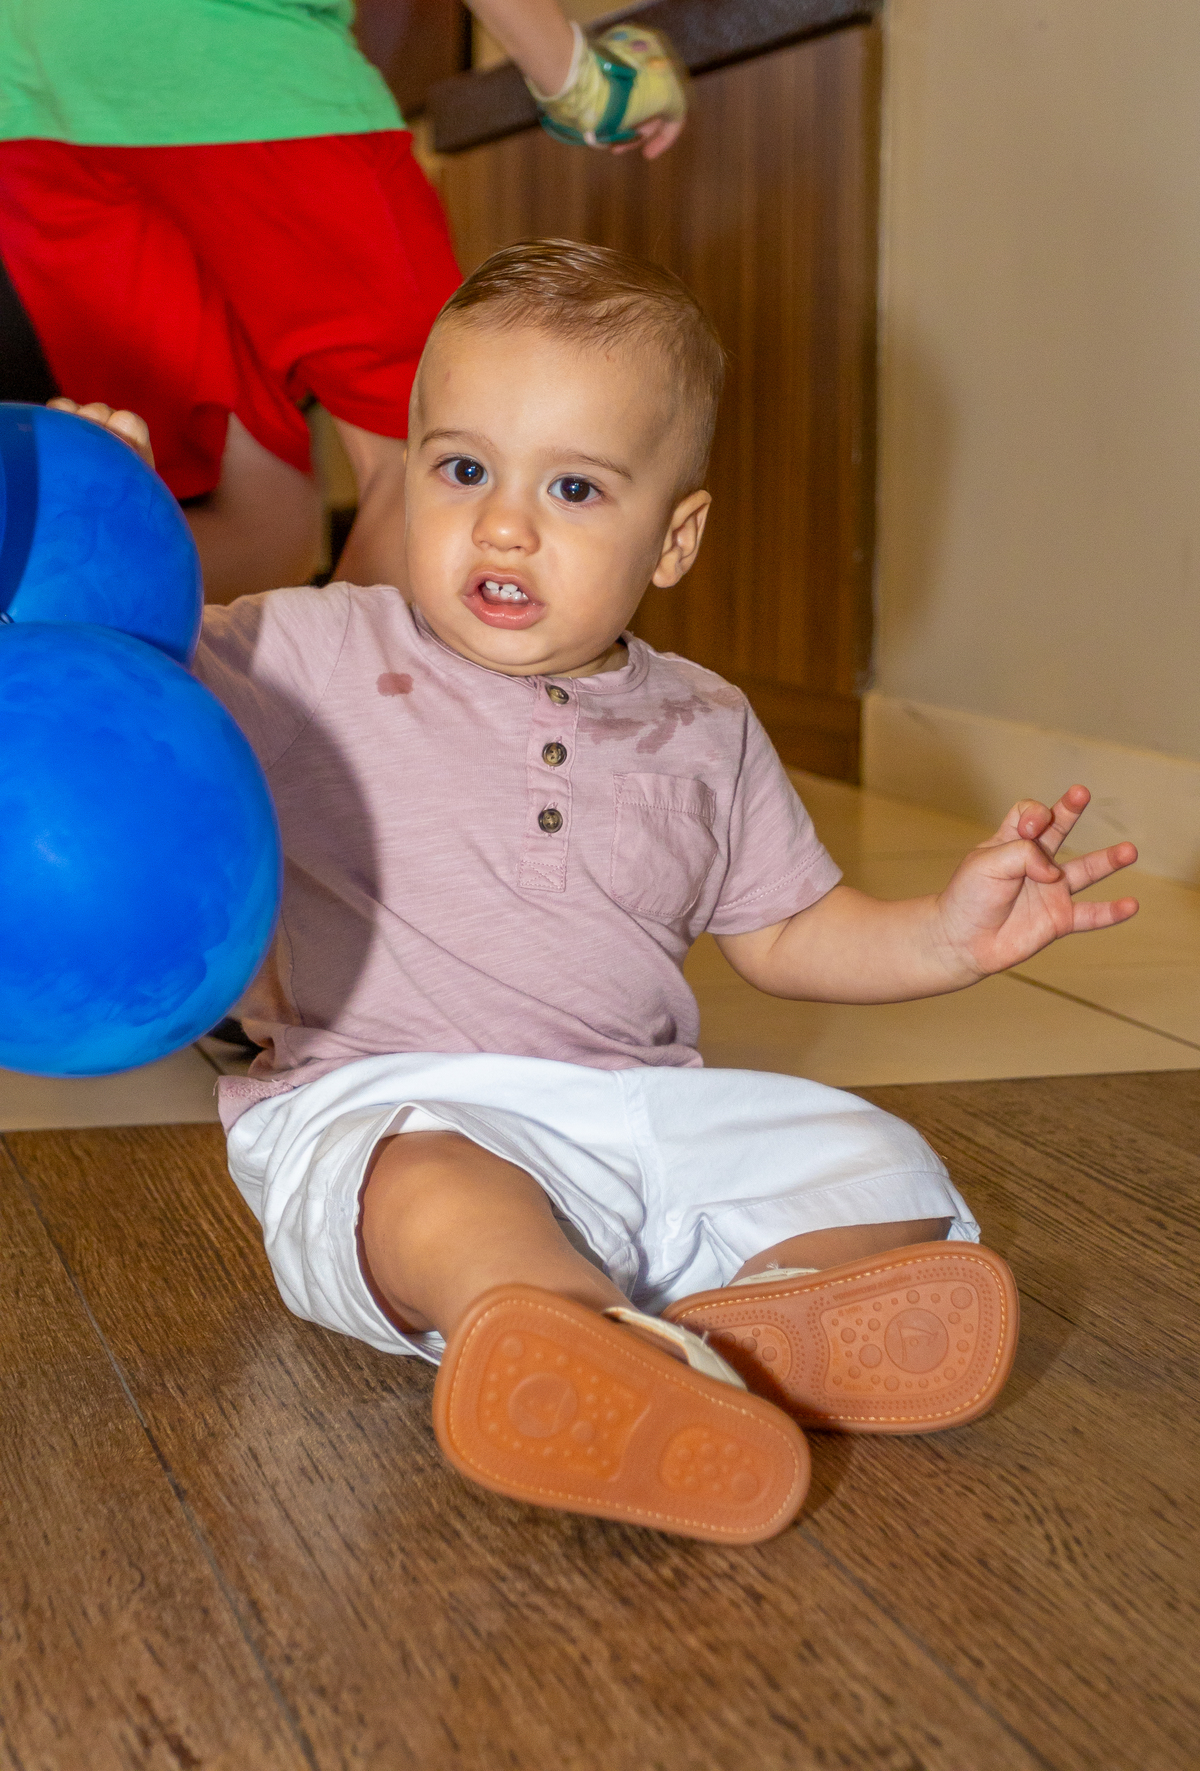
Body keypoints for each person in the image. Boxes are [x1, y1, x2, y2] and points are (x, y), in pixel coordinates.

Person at [92, 241, 1139, 1544]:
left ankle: (736, 1331)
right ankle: (560, 1331)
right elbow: (127, 671)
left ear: (674, 538)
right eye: (461, 469)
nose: (504, 524)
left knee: (883, 1166)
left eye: (574, 487)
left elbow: (790, 931)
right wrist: (107, 513)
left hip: (637, 1114)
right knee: (431, 1194)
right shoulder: (313, 649)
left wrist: (946, 933)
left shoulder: (707, 721)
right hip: (385, 1097)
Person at [0, 0, 685, 603]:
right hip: (232, 57)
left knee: (264, 517)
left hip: (30, 108)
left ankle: (41, 643)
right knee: (430, 454)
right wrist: (582, 82)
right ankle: (343, 704)